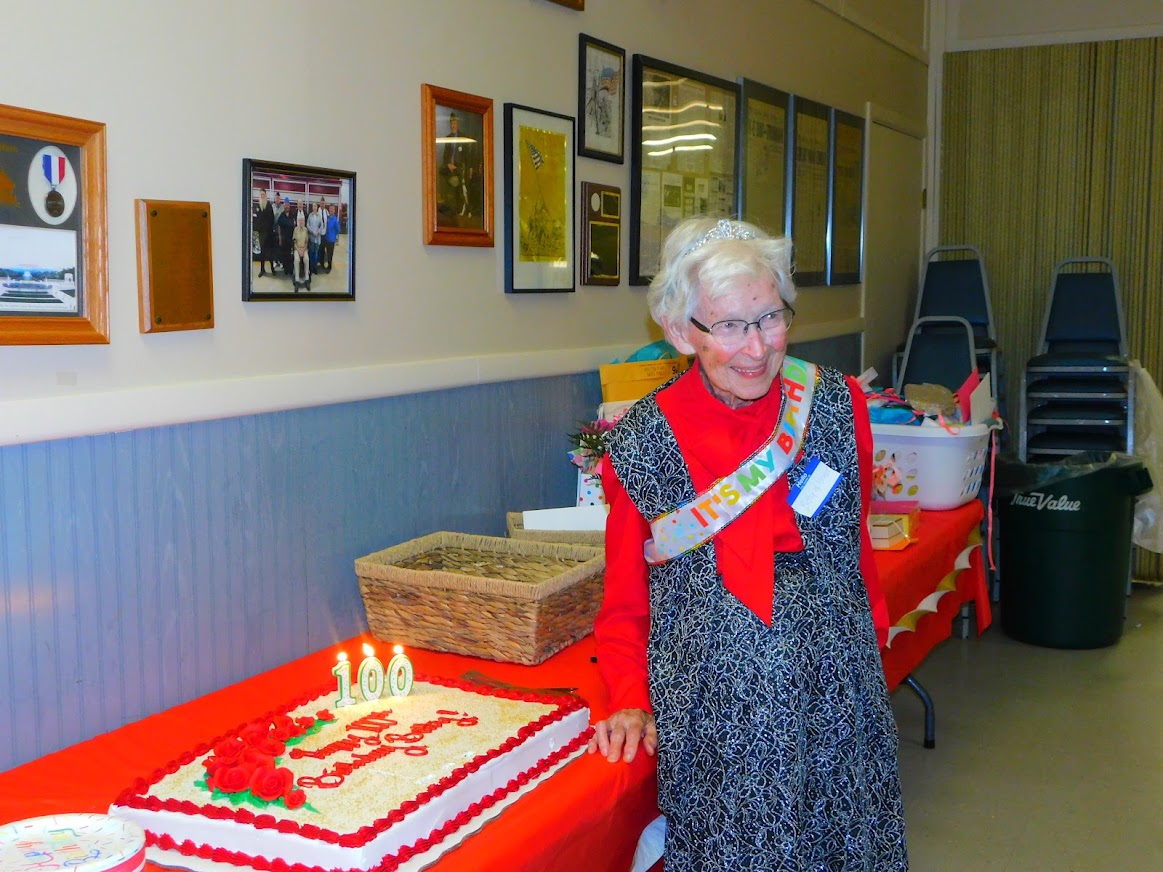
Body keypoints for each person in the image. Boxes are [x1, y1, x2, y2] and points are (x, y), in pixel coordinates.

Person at [587, 216, 907, 870]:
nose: (757, 348)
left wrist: (869, 655)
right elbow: (624, 596)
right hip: (718, 709)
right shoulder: (643, 445)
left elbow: (851, 550)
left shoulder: (834, 404)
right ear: (679, 332)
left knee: (848, 844)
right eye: (729, 326)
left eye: (769, 318)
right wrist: (624, 695)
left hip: (835, 684)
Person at [253, 190, 276, 277]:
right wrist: (260, 229)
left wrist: (269, 229)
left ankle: (272, 269)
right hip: (262, 234)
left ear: (266, 195)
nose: (262, 196)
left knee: (270, 253)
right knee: (262, 253)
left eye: (264, 194)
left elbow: (272, 219)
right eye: (261, 194)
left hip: (269, 233)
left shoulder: (269, 206)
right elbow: (257, 220)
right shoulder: (258, 206)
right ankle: (262, 270)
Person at [276, 198, 296, 280]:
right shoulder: (281, 215)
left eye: (288, 205)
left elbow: (294, 226)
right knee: (285, 254)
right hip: (284, 239)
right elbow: (279, 227)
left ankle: (290, 269)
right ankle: (286, 269)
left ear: (289, 206)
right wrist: (280, 238)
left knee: (290, 255)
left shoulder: (292, 215)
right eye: (286, 205)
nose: (287, 206)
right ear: (284, 206)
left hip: (291, 239)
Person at [291, 213, 310, 290]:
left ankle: (307, 278)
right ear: (298, 222)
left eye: (303, 221)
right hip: (297, 249)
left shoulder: (306, 230)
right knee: (296, 260)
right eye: (300, 221)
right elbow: (294, 242)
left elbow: (306, 242)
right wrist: (299, 250)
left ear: (304, 222)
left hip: (304, 249)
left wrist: (303, 249)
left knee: (306, 259)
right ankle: (297, 280)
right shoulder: (295, 229)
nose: (302, 222)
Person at [307, 202, 325, 275]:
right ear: (312, 207)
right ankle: (311, 269)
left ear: (317, 207)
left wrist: (318, 231)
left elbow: (322, 225)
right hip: (311, 238)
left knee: (316, 254)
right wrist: (312, 231)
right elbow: (307, 224)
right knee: (311, 254)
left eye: (315, 206)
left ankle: (315, 268)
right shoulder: (310, 216)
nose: (314, 207)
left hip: (317, 238)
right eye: (313, 206)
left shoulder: (319, 216)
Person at [321, 205, 340, 272]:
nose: (331, 210)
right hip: (326, 238)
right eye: (330, 209)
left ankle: (329, 267)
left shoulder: (335, 220)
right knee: (325, 253)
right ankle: (323, 264)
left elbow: (338, 230)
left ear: (334, 211)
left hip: (331, 240)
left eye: (332, 209)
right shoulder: (328, 218)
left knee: (330, 254)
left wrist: (334, 235)